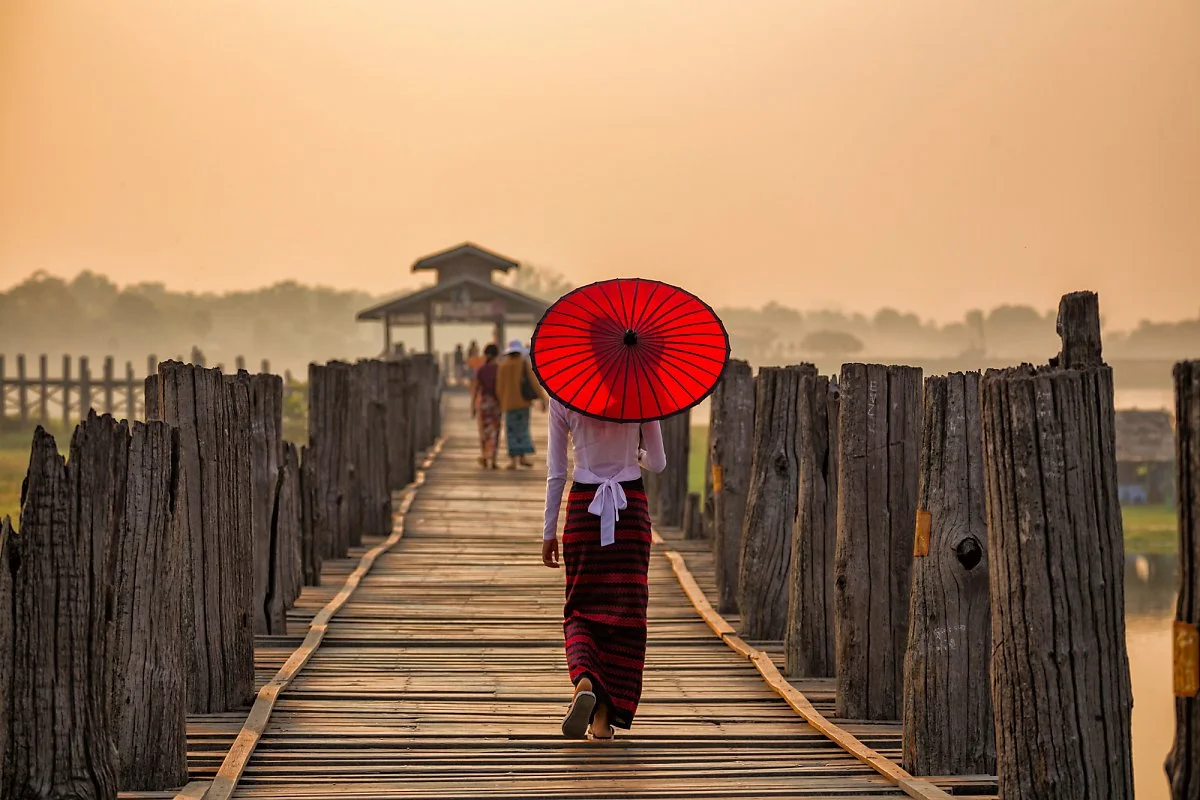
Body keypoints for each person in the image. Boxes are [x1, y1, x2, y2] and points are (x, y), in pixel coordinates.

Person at [541, 400, 667, 740]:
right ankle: (602, 720)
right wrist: (635, 453)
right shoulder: (640, 392)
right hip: (630, 512)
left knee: (580, 607)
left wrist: (549, 532)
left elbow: (556, 472)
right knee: (627, 614)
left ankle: (585, 677)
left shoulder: (564, 395)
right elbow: (658, 463)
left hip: (584, 510)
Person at [494, 340, 546, 468]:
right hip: (523, 403)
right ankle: (522, 457)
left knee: (511, 431)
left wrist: (501, 402)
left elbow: (498, 387)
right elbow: (534, 382)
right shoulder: (523, 363)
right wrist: (542, 398)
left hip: (508, 404)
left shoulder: (502, 366)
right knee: (522, 429)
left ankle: (513, 461)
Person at [470, 344, 502, 468]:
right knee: (495, 431)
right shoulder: (499, 369)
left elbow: (476, 388)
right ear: (496, 355)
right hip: (496, 403)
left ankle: (484, 455)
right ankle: (493, 460)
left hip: (484, 403)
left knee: (484, 431)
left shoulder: (481, 370)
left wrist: (473, 405)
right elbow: (502, 388)